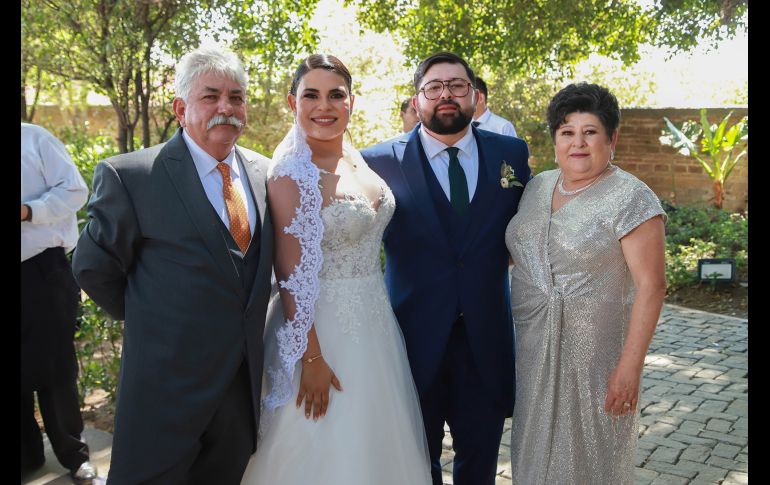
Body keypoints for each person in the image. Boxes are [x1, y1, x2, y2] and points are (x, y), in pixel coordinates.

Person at [72, 45, 274, 484]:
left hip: (240, 392)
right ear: (181, 109)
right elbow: (91, 267)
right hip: (163, 390)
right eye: (211, 96)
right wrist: (153, 318)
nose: (227, 107)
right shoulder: (132, 177)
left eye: (236, 97)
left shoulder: (264, 173)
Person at [241, 53, 431, 485]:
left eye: (335, 95)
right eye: (311, 95)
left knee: (379, 444)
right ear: (293, 103)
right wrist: (312, 357)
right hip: (320, 331)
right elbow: (290, 275)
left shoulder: (357, 158)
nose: (323, 106)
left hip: (374, 324)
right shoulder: (290, 173)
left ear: (351, 103)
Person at [361, 52, 531, 485]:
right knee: (418, 465)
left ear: (474, 95)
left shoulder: (511, 154)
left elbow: (525, 230)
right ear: (417, 100)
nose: (446, 95)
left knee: (480, 466)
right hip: (410, 340)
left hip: (485, 341)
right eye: (434, 87)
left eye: (457, 86)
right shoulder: (377, 161)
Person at [505, 82, 666, 484]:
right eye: (567, 132)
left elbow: (652, 286)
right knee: (534, 453)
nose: (578, 143)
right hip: (533, 349)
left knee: (590, 460)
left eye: (590, 132)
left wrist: (630, 367)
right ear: (555, 139)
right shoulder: (538, 187)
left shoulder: (632, 198)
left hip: (595, 358)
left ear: (612, 138)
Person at [21, 122, 96, 484]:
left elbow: (75, 190)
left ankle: (74, 456)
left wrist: (27, 211)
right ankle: (27, 457)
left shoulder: (34, 139)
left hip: (41, 272)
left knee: (56, 369)